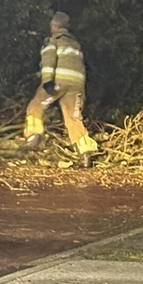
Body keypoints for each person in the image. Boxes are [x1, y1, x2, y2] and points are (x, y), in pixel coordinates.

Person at [24, 11, 99, 168]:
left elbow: (49, 61)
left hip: (58, 83)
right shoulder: (75, 45)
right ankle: (85, 155)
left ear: (55, 25)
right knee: (73, 119)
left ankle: (34, 136)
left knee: (36, 105)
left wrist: (47, 81)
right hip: (76, 86)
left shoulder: (53, 41)